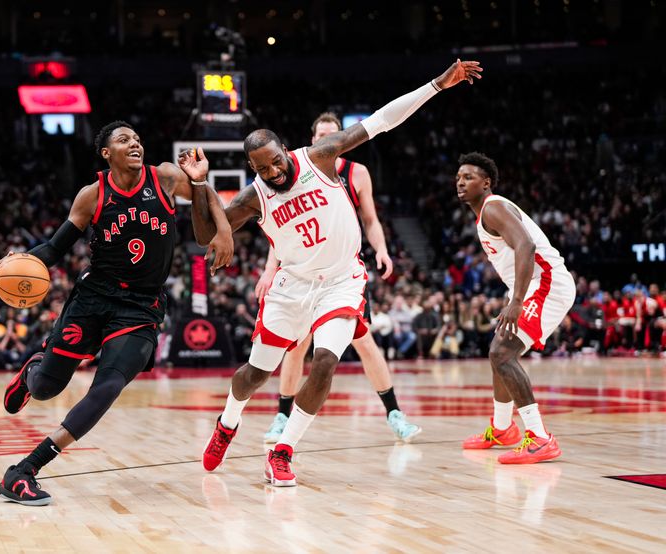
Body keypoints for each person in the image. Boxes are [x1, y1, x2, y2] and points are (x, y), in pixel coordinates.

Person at [190, 59, 482, 486]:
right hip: (292, 287)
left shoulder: (320, 157)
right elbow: (205, 234)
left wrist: (437, 84)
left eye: (274, 162)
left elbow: (383, 119)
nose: (272, 173)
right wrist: (200, 185)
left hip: (342, 282)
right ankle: (227, 424)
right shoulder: (255, 198)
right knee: (256, 372)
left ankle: (283, 452)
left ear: (284, 149)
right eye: (262, 169)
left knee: (324, 362)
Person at [0, 121, 233, 506]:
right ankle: (34, 369)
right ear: (107, 153)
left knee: (107, 387)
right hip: (93, 299)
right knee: (45, 389)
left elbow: (207, 217)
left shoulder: (166, 177)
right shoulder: (92, 196)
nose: (135, 143)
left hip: (141, 306)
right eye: (124, 140)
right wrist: (14, 262)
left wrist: (221, 224)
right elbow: (53, 251)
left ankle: (24, 470)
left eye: (137, 138)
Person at [255, 113, 421, 443]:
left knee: (364, 341)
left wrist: (383, 250)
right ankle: (281, 417)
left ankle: (394, 413)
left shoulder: (357, 173)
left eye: (334, 134)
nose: (327, 138)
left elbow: (370, 220)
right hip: (302, 272)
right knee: (296, 346)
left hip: (343, 273)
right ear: (312, 138)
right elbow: (283, 234)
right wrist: (269, 270)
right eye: (321, 134)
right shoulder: (295, 171)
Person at [456, 152, 576, 464]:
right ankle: (502, 428)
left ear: (486, 183)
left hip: (548, 283)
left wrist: (517, 301)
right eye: (458, 177)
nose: (460, 181)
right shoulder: (486, 212)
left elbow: (526, 246)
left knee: (501, 352)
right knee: (499, 351)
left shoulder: (493, 207)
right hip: (536, 285)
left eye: (468, 177)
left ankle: (539, 437)